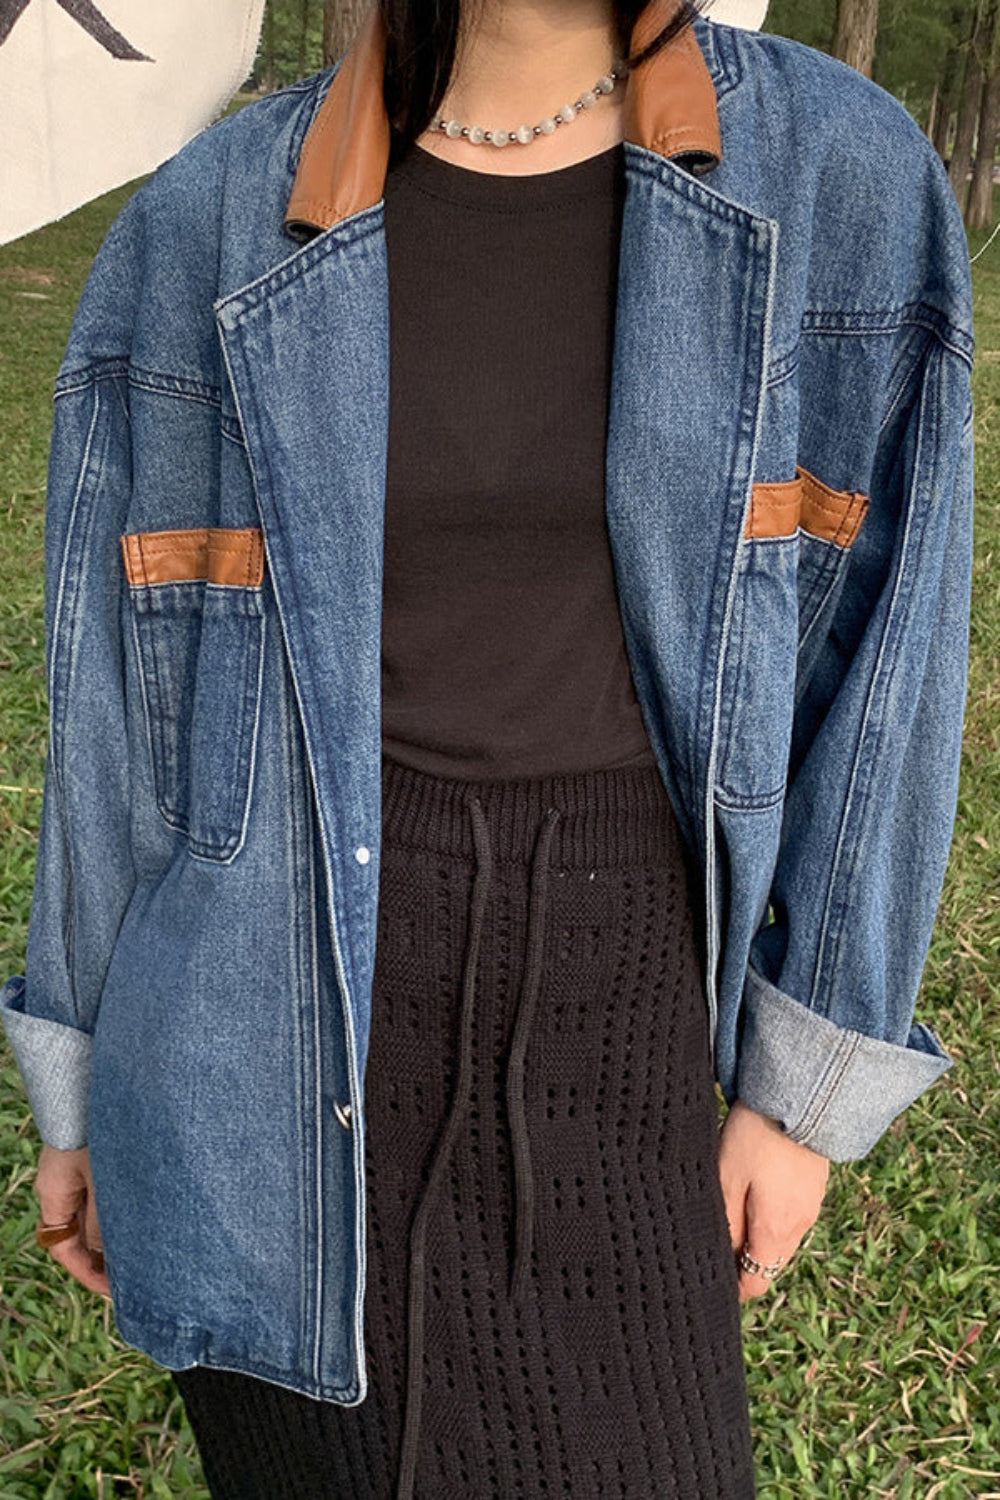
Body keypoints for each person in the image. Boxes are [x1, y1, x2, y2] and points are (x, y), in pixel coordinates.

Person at [1, 0, 974, 1494]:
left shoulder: (835, 174)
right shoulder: (206, 221)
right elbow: (116, 713)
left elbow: (893, 649)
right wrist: (78, 1079)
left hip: (622, 999)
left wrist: (799, 1090)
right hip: (254, 1030)